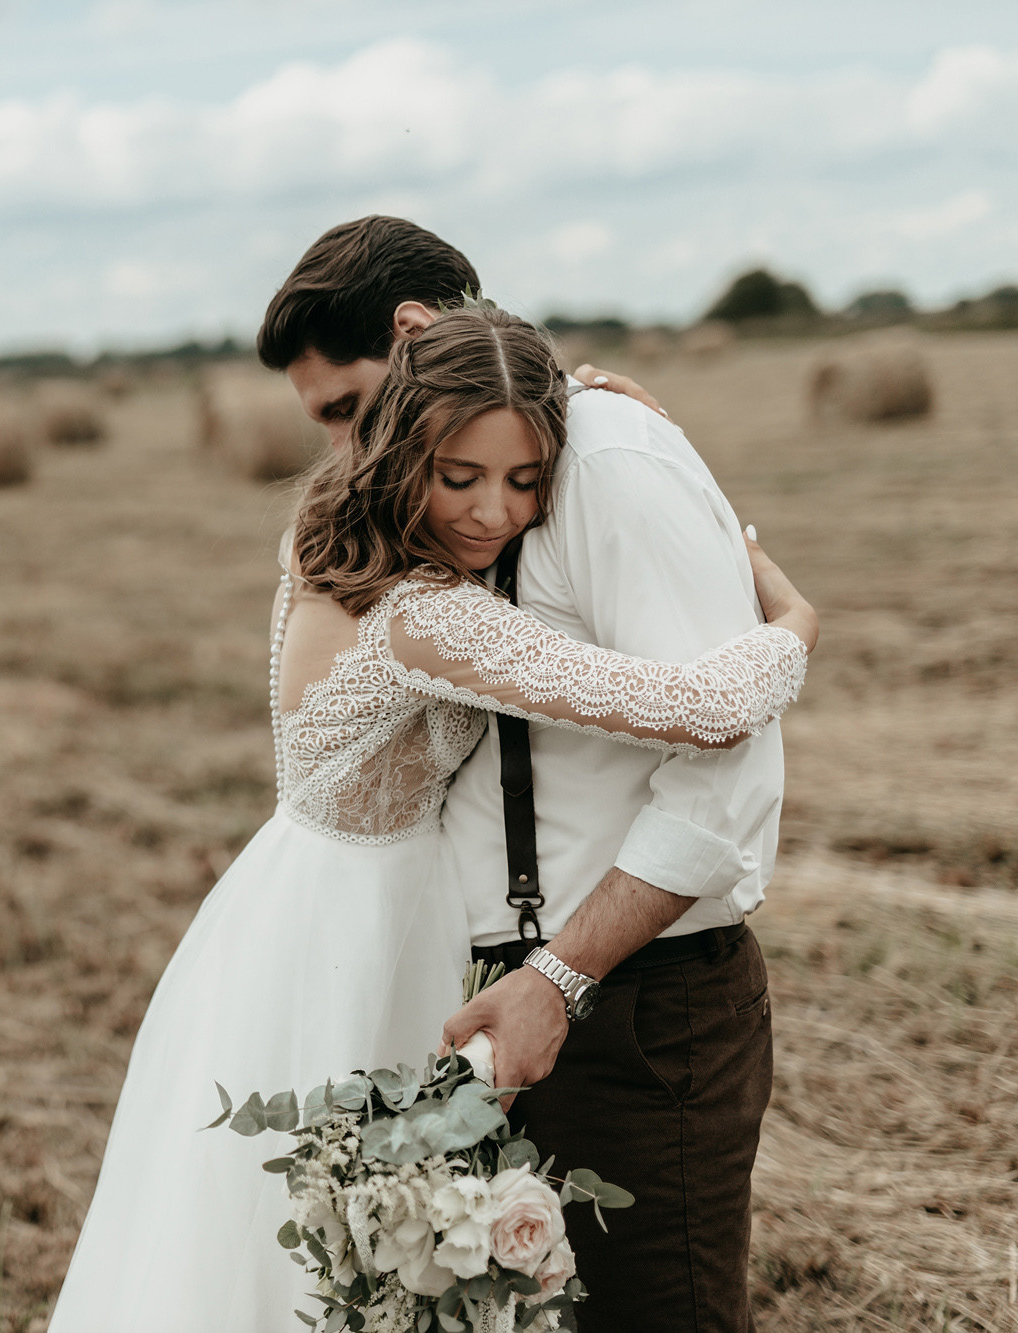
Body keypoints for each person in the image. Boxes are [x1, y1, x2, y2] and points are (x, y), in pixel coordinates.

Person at [44, 301, 817, 1330]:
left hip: (308, 917)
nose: (493, 512)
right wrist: (795, 621)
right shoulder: (423, 616)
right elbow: (701, 708)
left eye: (525, 479)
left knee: (335, 1262)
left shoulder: (318, 547)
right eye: (459, 476)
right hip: (356, 946)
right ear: (404, 445)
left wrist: (605, 420)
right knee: (323, 1268)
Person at [262, 216, 795, 1332]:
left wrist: (786, 618)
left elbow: (716, 758)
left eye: (347, 413)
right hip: (455, 1002)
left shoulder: (600, 458)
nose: (348, 452)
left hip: (620, 998)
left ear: (412, 334)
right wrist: (792, 619)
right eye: (462, 472)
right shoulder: (406, 581)